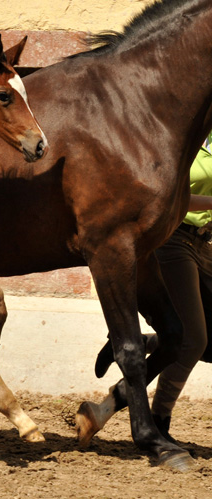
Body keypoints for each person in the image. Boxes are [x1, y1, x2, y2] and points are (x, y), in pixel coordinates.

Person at [84, 133, 212, 444]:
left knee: (206, 343)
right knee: (193, 340)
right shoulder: (184, 135)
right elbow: (169, 195)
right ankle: (158, 420)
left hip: (205, 243)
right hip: (174, 241)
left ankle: (144, 342)